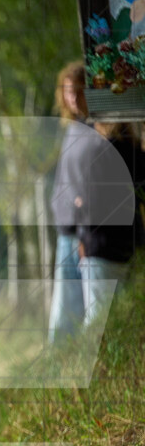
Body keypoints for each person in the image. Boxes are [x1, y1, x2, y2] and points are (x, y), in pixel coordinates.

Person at [77, 121, 145, 326]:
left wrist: (80, 204)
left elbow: (92, 204)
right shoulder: (137, 156)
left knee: (98, 322)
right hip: (131, 247)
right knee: (128, 324)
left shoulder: (96, 152)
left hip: (101, 248)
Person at [48, 61, 91, 344]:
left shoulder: (95, 131)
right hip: (66, 230)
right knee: (65, 307)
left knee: (75, 309)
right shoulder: (72, 129)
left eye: (77, 91)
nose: (72, 98)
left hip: (81, 232)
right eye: (67, 92)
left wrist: (82, 232)